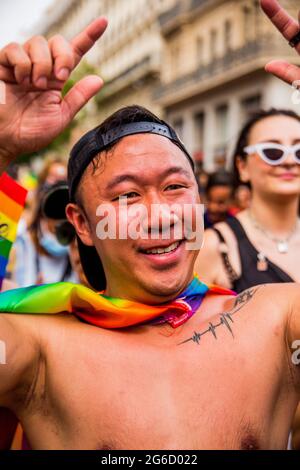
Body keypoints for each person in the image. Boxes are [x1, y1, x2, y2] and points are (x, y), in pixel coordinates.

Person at [0, 1, 299, 451]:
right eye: (126, 196)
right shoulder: (41, 349)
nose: (161, 215)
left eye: (176, 187)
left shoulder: (277, 320)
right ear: (81, 224)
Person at [195, 108, 300, 292]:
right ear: (242, 166)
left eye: (299, 151)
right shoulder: (213, 246)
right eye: (273, 152)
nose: (289, 161)